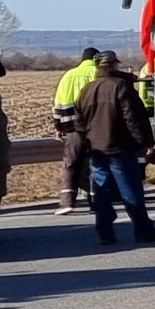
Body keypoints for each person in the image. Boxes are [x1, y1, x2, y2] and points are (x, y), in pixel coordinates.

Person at [73, 51, 155, 245]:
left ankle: (105, 233)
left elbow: (79, 124)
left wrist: (85, 145)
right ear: (114, 65)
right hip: (119, 148)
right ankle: (143, 231)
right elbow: (132, 118)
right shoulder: (120, 86)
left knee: (101, 193)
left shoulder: (87, 90)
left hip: (96, 150)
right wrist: (146, 142)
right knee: (131, 190)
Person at [51, 46, 100, 214]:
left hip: (72, 128)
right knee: (95, 164)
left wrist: (58, 125)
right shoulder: (97, 74)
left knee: (71, 164)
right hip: (95, 127)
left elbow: (58, 103)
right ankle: (96, 202)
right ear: (96, 59)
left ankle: (67, 203)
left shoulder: (68, 76)